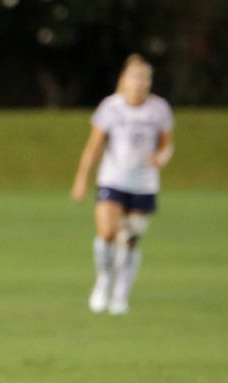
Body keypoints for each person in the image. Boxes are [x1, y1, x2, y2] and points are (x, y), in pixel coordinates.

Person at [71, 54, 175, 315]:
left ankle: (121, 294)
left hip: (144, 182)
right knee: (107, 233)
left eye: (144, 78)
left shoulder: (159, 109)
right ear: (124, 80)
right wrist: (81, 179)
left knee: (129, 239)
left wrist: (161, 157)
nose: (139, 83)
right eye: (134, 77)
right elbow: (94, 146)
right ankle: (103, 281)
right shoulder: (111, 107)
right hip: (113, 177)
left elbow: (167, 144)